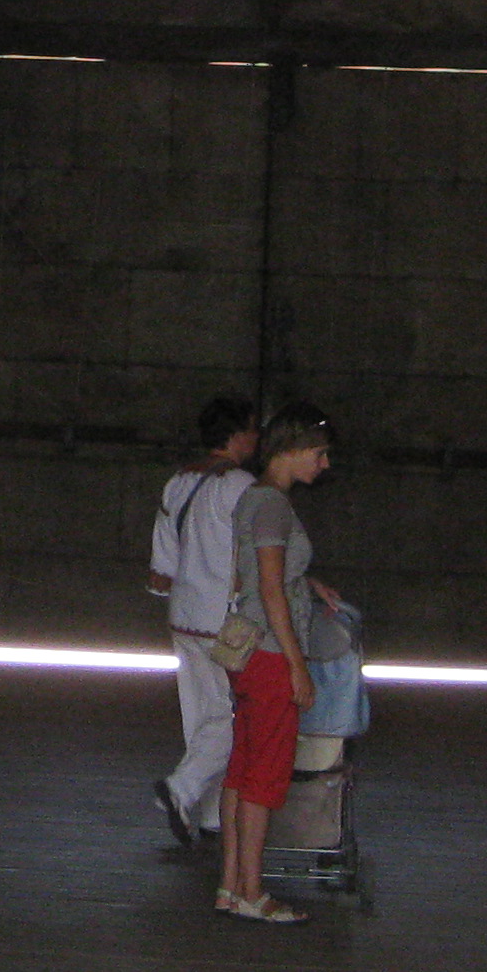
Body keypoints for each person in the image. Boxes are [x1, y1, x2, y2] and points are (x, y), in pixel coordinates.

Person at [215, 404, 340, 923]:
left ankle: (231, 885)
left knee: (241, 771)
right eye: (319, 453)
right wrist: (296, 665)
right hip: (270, 654)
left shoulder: (254, 497)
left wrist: (305, 582)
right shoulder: (273, 506)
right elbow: (270, 590)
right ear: (292, 450)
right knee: (264, 777)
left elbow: (256, 574)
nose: (324, 464)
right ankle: (252, 892)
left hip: (247, 651)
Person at [146, 394, 259, 849]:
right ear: (236, 435)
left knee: (201, 717)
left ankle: (212, 816)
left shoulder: (179, 482)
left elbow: (163, 558)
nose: (256, 438)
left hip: (184, 616)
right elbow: (255, 554)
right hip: (227, 622)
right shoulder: (242, 486)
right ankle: (182, 790)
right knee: (234, 721)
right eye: (252, 429)